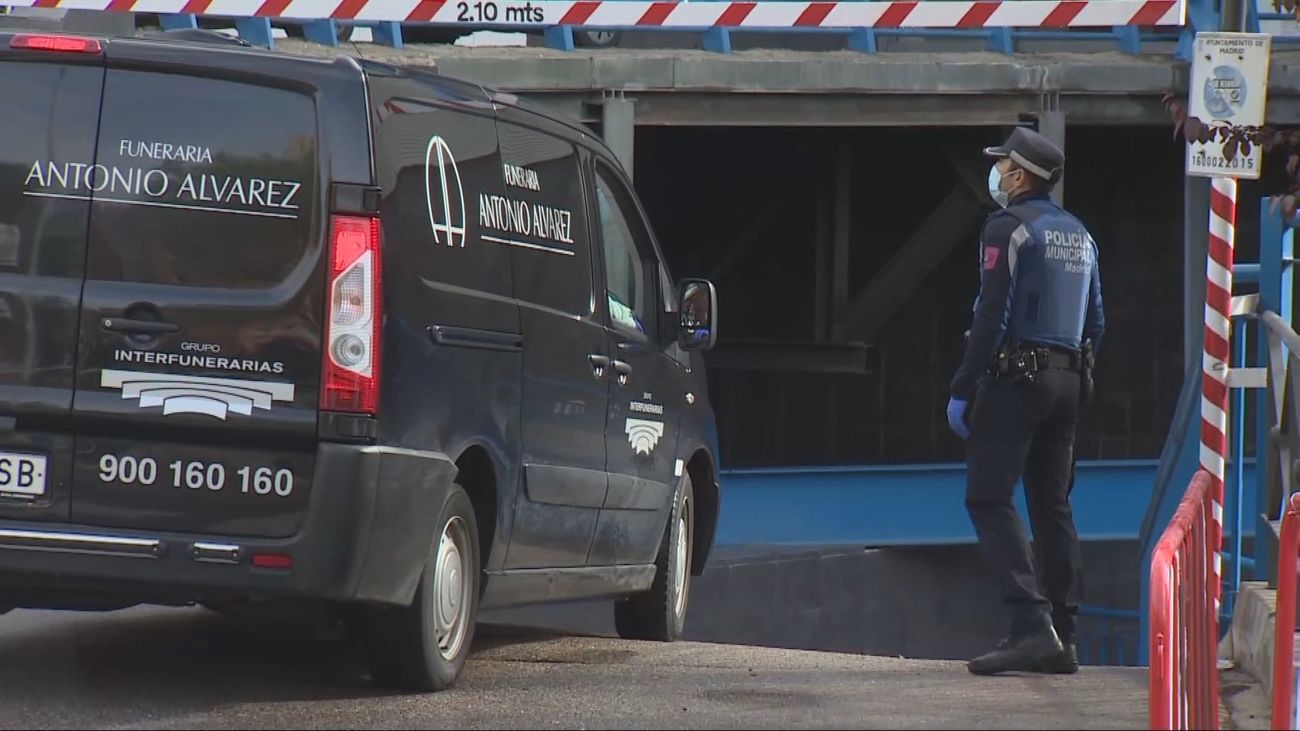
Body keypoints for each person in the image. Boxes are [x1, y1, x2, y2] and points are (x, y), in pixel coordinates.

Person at [945, 127, 1104, 676]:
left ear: (1017, 174)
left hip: (1019, 380)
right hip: (1068, 383)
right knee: (1051, 503)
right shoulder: (1081, 235)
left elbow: (990, 315)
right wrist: (1078, 380)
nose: (997, 174)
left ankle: (1030, 625)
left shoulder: (1008, 227)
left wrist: (963, 389)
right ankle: (1066, 631)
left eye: (1001, 166)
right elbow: (1096, 322)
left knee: (988, 496)